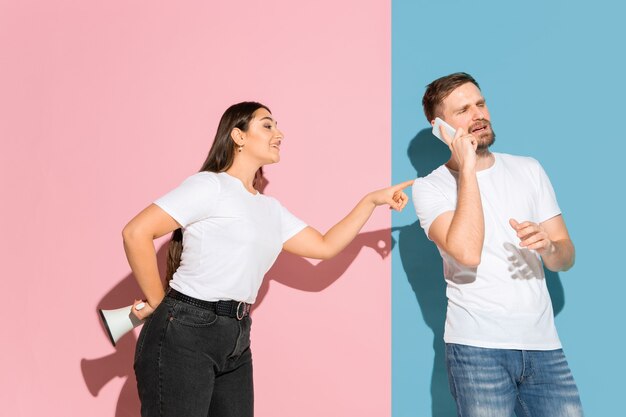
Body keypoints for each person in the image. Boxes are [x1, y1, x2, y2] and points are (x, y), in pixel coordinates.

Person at [122, 101, 412, 417]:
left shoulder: (270, 210)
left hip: (237, 336)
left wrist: (370, 202)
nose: (280, 134)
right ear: (238, 136)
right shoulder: (210, 185)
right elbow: (136, 232)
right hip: (185, 332)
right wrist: (158, 301)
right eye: (267, 125)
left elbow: (325, 246)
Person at [412, 73, 583, 417]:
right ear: (440, 127)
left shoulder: (529, 169)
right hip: (477, 349)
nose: (478, 115)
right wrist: (469, 169)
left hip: (544, 346)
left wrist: (549, 247)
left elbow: (565, 258)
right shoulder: (429, 188)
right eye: (463, 110)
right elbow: (466, 252)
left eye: (480, 103)